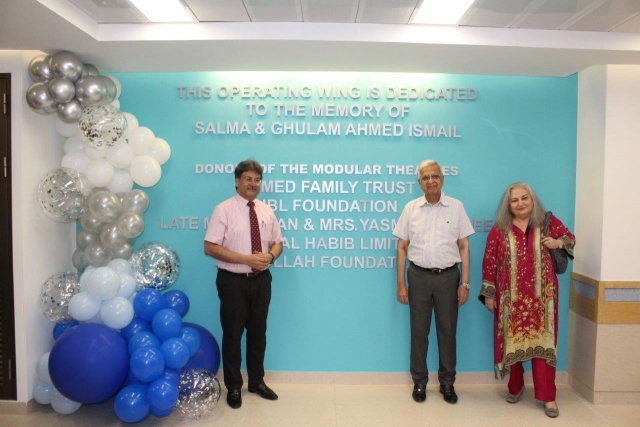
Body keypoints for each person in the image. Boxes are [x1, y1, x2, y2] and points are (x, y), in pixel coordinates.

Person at [479, 182, 575, 418]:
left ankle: (549, 397)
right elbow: (489, 262)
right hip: (510, 301)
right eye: (515, 200)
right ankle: (515, 387)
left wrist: (557, 243)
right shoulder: (500, 230)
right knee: (513, 344)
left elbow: (570, 238)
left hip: (543, 301)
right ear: (508, 205)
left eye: (525, 198)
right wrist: (489, 295)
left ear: (533, 200)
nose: (520, 203)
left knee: (544, 347)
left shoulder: (548, 223)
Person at [393, 159, 474, 404]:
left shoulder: (456, 207)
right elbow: (402, 247)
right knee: (419, 332)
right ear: (419, 182)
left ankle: (447, 383)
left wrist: (465, 283)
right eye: (426, 177)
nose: (431, 181)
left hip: (449, 277)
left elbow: (464, 245)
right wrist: (400, 283)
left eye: (435, 176)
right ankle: (419, 381)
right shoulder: (411, 209)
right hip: (418, 276)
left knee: (447, 332)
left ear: (442, 179)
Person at [204, 159, 284, 409]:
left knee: (258, 334)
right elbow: (210, 247)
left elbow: (278, 242)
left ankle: (257, 382)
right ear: (237, 181)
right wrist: (246, 259)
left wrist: (270, 256)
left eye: (257, 180)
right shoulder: (224, 209)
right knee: (233, 334)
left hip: (261, 281)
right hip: (233, 281)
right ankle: (234, 386)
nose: (253, 184)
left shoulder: (266, 210)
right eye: (248, 179)